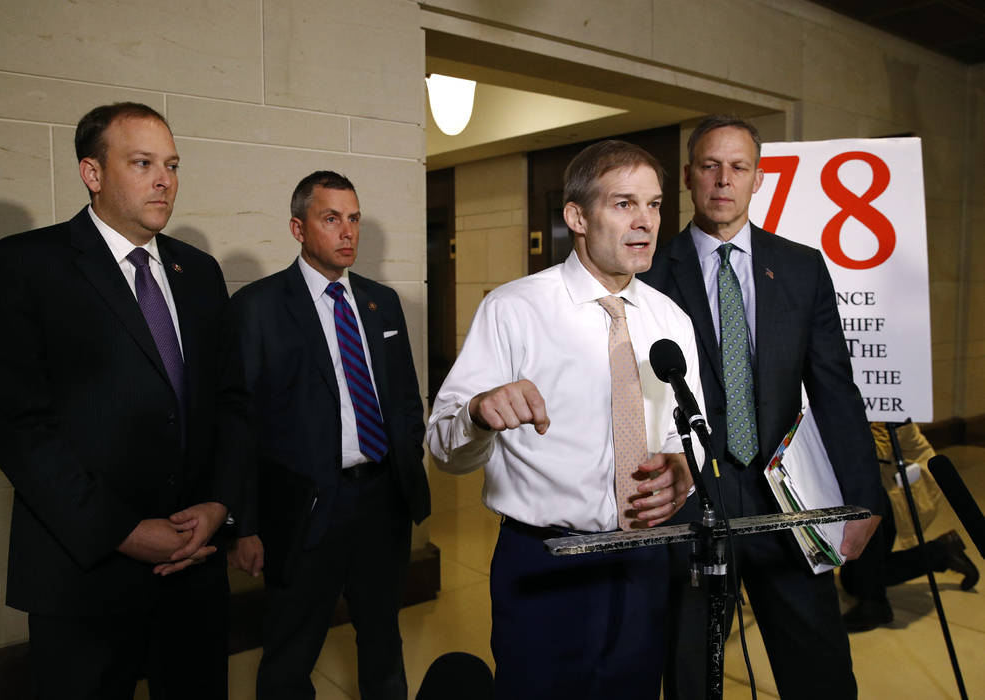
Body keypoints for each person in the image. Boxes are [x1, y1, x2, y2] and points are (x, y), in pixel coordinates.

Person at [0, 102, 247, 699]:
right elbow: (19, 426)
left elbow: (230, 403)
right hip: (83, 572)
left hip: (193, 569)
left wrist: (220, 506)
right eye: (142, 162)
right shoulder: (24, 266)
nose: (164, 180)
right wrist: (120, 530)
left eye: (171, 164)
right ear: (92, 174)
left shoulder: (199, 272)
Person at [427, 141, 705, 700]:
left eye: (653, 205)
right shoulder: (513, 309)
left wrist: (684, 468)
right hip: (545, 564)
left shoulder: (670, 318)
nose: (646, 222)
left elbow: (684, 433)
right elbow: (442, 448)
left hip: (642, 558)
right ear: (577, 216)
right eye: (624, 204)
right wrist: (480, 414)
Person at [638, 114, 887, 700]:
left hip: (788, 501)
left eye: (739, 167)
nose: (724, 179)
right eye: (710, 166)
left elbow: (835, 388)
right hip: (694, 502)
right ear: (688, 177)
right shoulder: (649, 274)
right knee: (693, 672)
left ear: (759, 178)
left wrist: (864, 494)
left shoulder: (801, 267)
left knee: (820, 669)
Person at [227, 171, 430, 699]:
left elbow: (406, 399)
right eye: (331, 218)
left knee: (383, 639)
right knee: (290, 654)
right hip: (305, 508)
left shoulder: (381, 302)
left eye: (354, 218)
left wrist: (406, 460)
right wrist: (244, 524)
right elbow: (239, 424)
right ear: (298, 227)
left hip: (381, 500)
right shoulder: (259, 308)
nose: (348, 232)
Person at [841, 422, 978, 631]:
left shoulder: (882, 401)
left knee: (865, 507)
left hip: (906, 486)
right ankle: (941, 551)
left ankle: (875, 605)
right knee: (852, 581)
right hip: (884, 483)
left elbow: (876, 452)